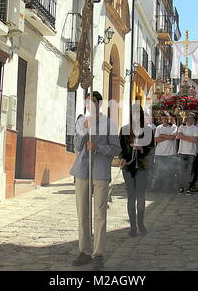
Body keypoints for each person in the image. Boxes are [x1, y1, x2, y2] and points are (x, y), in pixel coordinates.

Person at [70, 91, 121, 269]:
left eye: (92, 103)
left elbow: (116, 148)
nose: (88, 106)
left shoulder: (110, 124)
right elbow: (76, 145)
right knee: (82, 212)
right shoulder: (81, 121)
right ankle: (84, 250)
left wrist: (98, 147)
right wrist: (84, 130)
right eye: (86, 103)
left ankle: (98, 253)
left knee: (99, 213)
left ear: (99, 104)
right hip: (82, 170)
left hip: (100, 171)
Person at [119, 104, 154, 237]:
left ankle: (141, 223)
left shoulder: (148, 131)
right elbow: (120, 149)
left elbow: (151, 148)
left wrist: (142, 149)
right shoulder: (124, 130)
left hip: (142, 167)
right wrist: (122, 158)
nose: (135, 116)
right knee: (131, 197)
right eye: (133, 113)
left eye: (137, 113)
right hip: (128, 167)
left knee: (140, 196)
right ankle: (133, 227)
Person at [176, 113, 198, 195]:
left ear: (193, 119)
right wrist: (189, 137)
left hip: (191, 152)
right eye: (188, 118)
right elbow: (178, 136)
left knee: (190, 171)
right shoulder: (181, 127)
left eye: (191, 118)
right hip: (182, 151)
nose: (189, 119)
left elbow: (195, 140)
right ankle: (181, 187)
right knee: (181, 171)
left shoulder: (196, 128)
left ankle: (189, 187)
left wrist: (184, 137)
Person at [154, 112, 178, 188]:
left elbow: (172, 138)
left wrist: (162, 135)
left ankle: (168, 188)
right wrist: (167, 136)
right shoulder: (158, 128)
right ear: (161, 119)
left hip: (170, 153)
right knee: (159, 171)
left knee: (169, 172)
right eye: (163, 118)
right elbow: (156, 139)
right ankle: (157, 187)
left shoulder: (174, 127)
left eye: (166, 118)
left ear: (169, 119)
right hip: (159, 153)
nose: (164, 120)